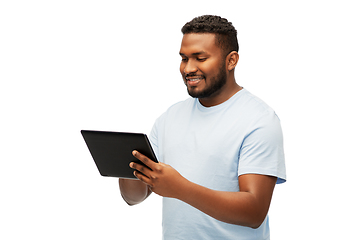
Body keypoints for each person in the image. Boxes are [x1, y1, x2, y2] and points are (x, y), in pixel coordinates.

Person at [119, 15, 286, 240]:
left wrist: (180, 188)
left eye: (200, 58)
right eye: (184, 58)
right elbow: (134, 198)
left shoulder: (259, 120)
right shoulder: (169, 117)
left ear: (231, 60)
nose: (188, 68)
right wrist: (127, 169)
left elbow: (254, 212)